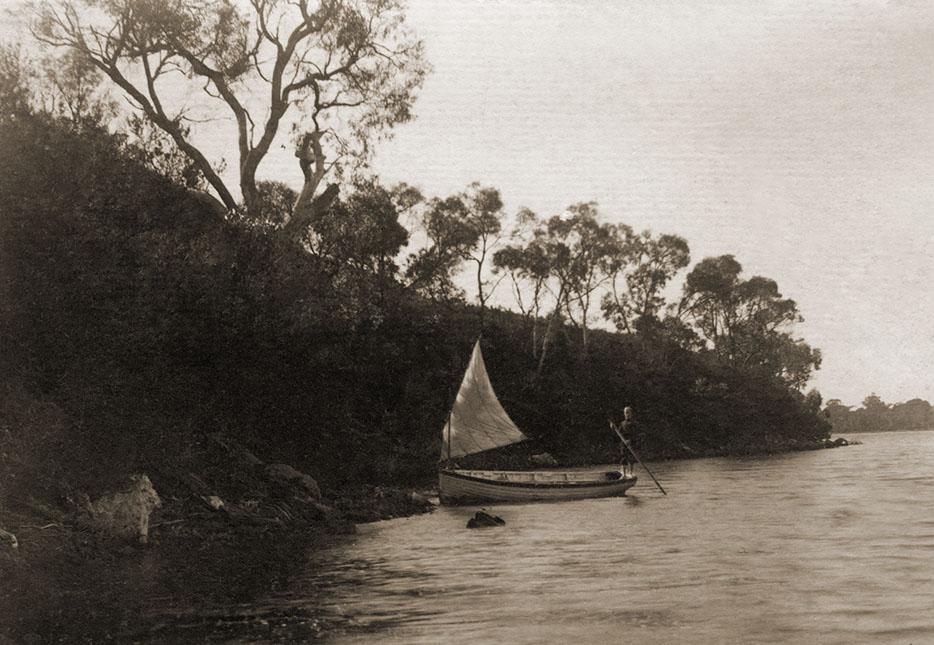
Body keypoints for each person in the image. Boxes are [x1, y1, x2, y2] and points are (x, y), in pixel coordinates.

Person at [618, 406, 636, 476]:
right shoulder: (622, 423)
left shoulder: (634, 423)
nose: (627, 414)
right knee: (623, 458)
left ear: (631, 413)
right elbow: (618, 433)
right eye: (626, 413)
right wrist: (613, 428)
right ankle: (624, 474)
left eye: (628, 412)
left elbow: (636, 434)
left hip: (631, 443)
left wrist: (630, 440)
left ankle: (630, 473)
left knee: (631, 458)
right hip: (623, 443)